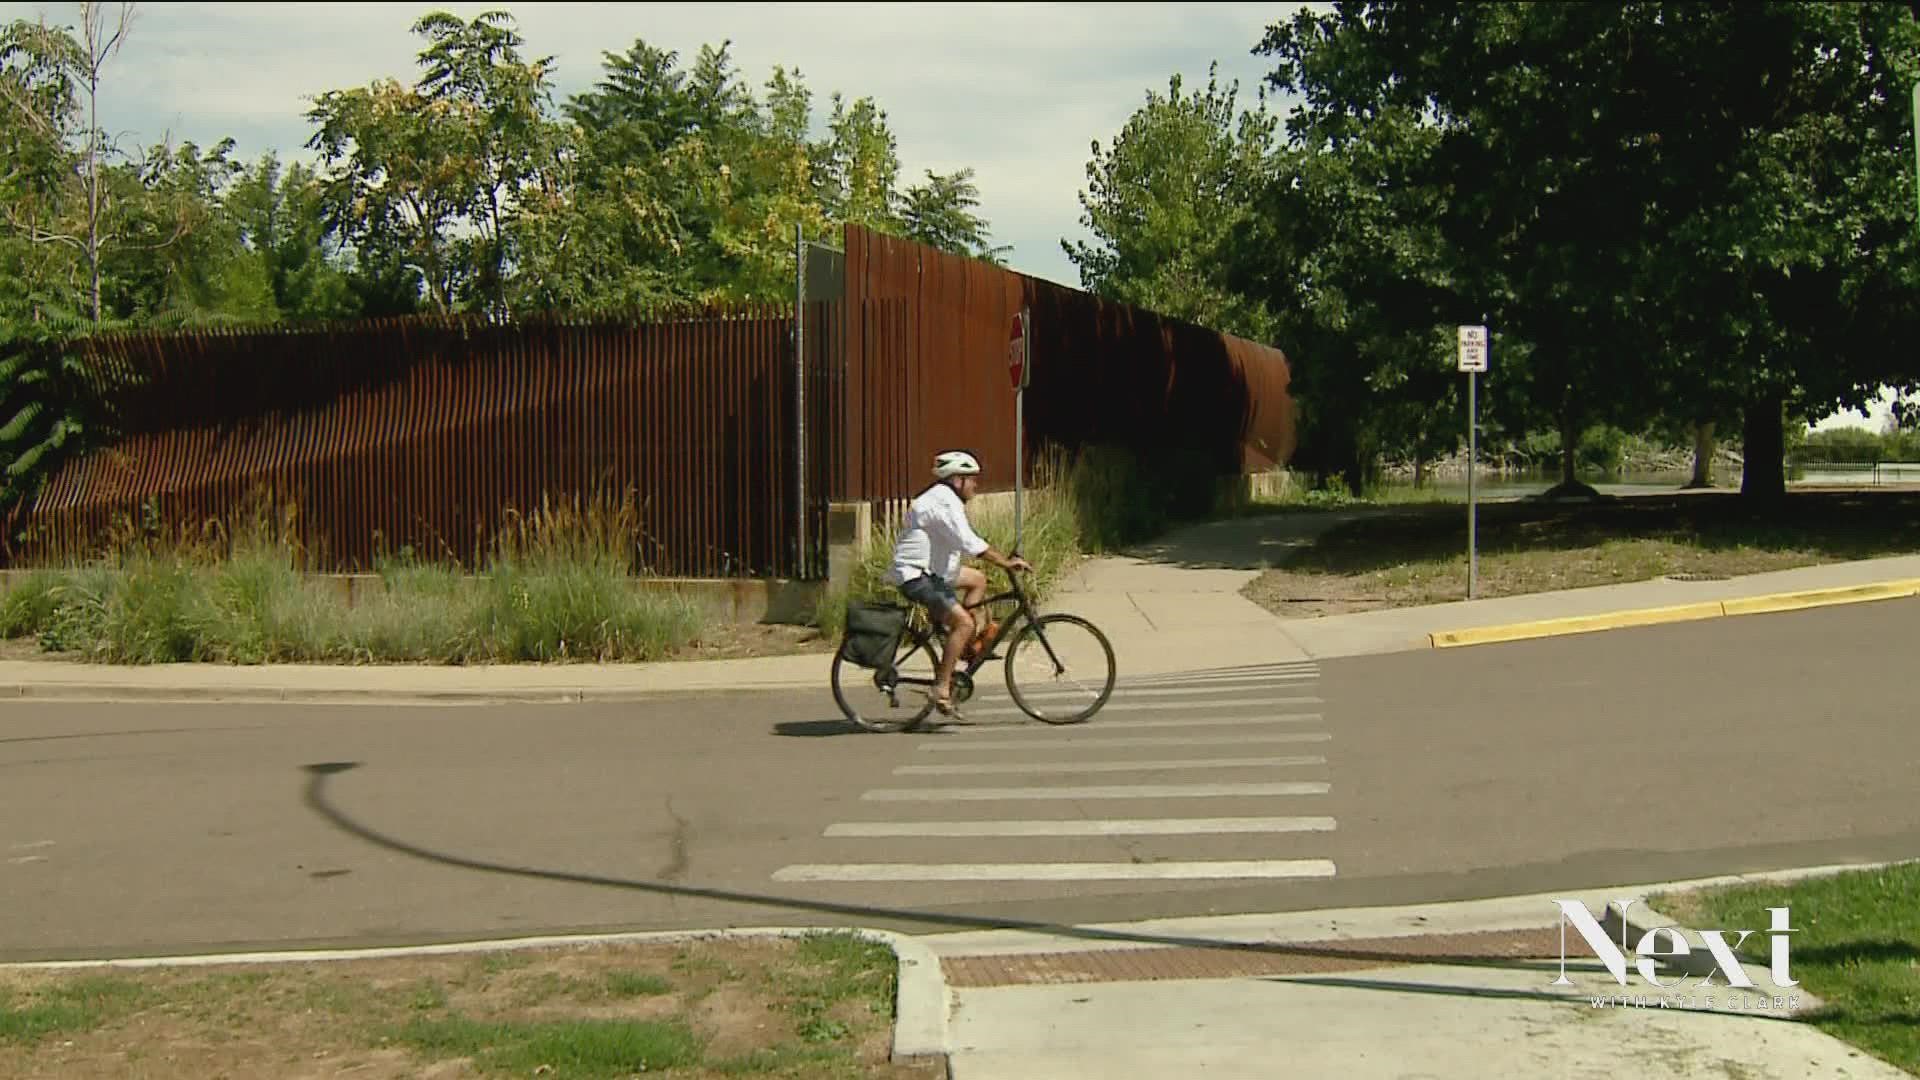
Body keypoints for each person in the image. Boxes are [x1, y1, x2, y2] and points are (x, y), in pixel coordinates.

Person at [885, 450, 1031, 717]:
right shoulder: (943, 502)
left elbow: (960, 543)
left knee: (977, 580)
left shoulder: (945, 499)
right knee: (964, 622)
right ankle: (941, 687)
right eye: (971, 479)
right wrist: (1006, 563)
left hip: (936, 571)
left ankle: (964, 646)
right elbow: (969, 542)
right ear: (957, 480)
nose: (976, 485)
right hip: (917, 576)